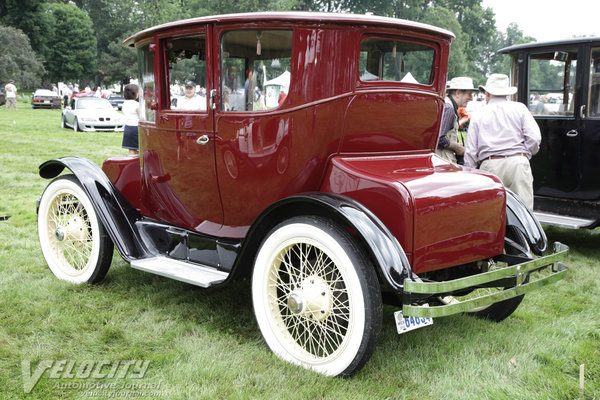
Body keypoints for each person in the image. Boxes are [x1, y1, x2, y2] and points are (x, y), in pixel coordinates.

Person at [464, 74, 541, 209]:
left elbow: (471, 150)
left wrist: (470, 172)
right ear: (507, 93)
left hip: (490, 165)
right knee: (523, 213)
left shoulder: (479, 114)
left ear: (487, 93)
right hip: (517, 163)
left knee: (490, 212)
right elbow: (534, 138)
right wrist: (525, 154)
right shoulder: (520, 108)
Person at [436, 77, 475, 164]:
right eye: (469, 94)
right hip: (443, 161)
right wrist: (457, 147)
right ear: (458, 93)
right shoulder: (449, 108)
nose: (471, 98)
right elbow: (438, 139)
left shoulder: (447, 105)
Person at [121, 84, 140, 156]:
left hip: (128, 127)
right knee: (137, 151)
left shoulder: (125, 103)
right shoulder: (137, 104)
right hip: (136, 128)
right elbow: (141, 117)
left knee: (131, 150)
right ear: (135, 93)